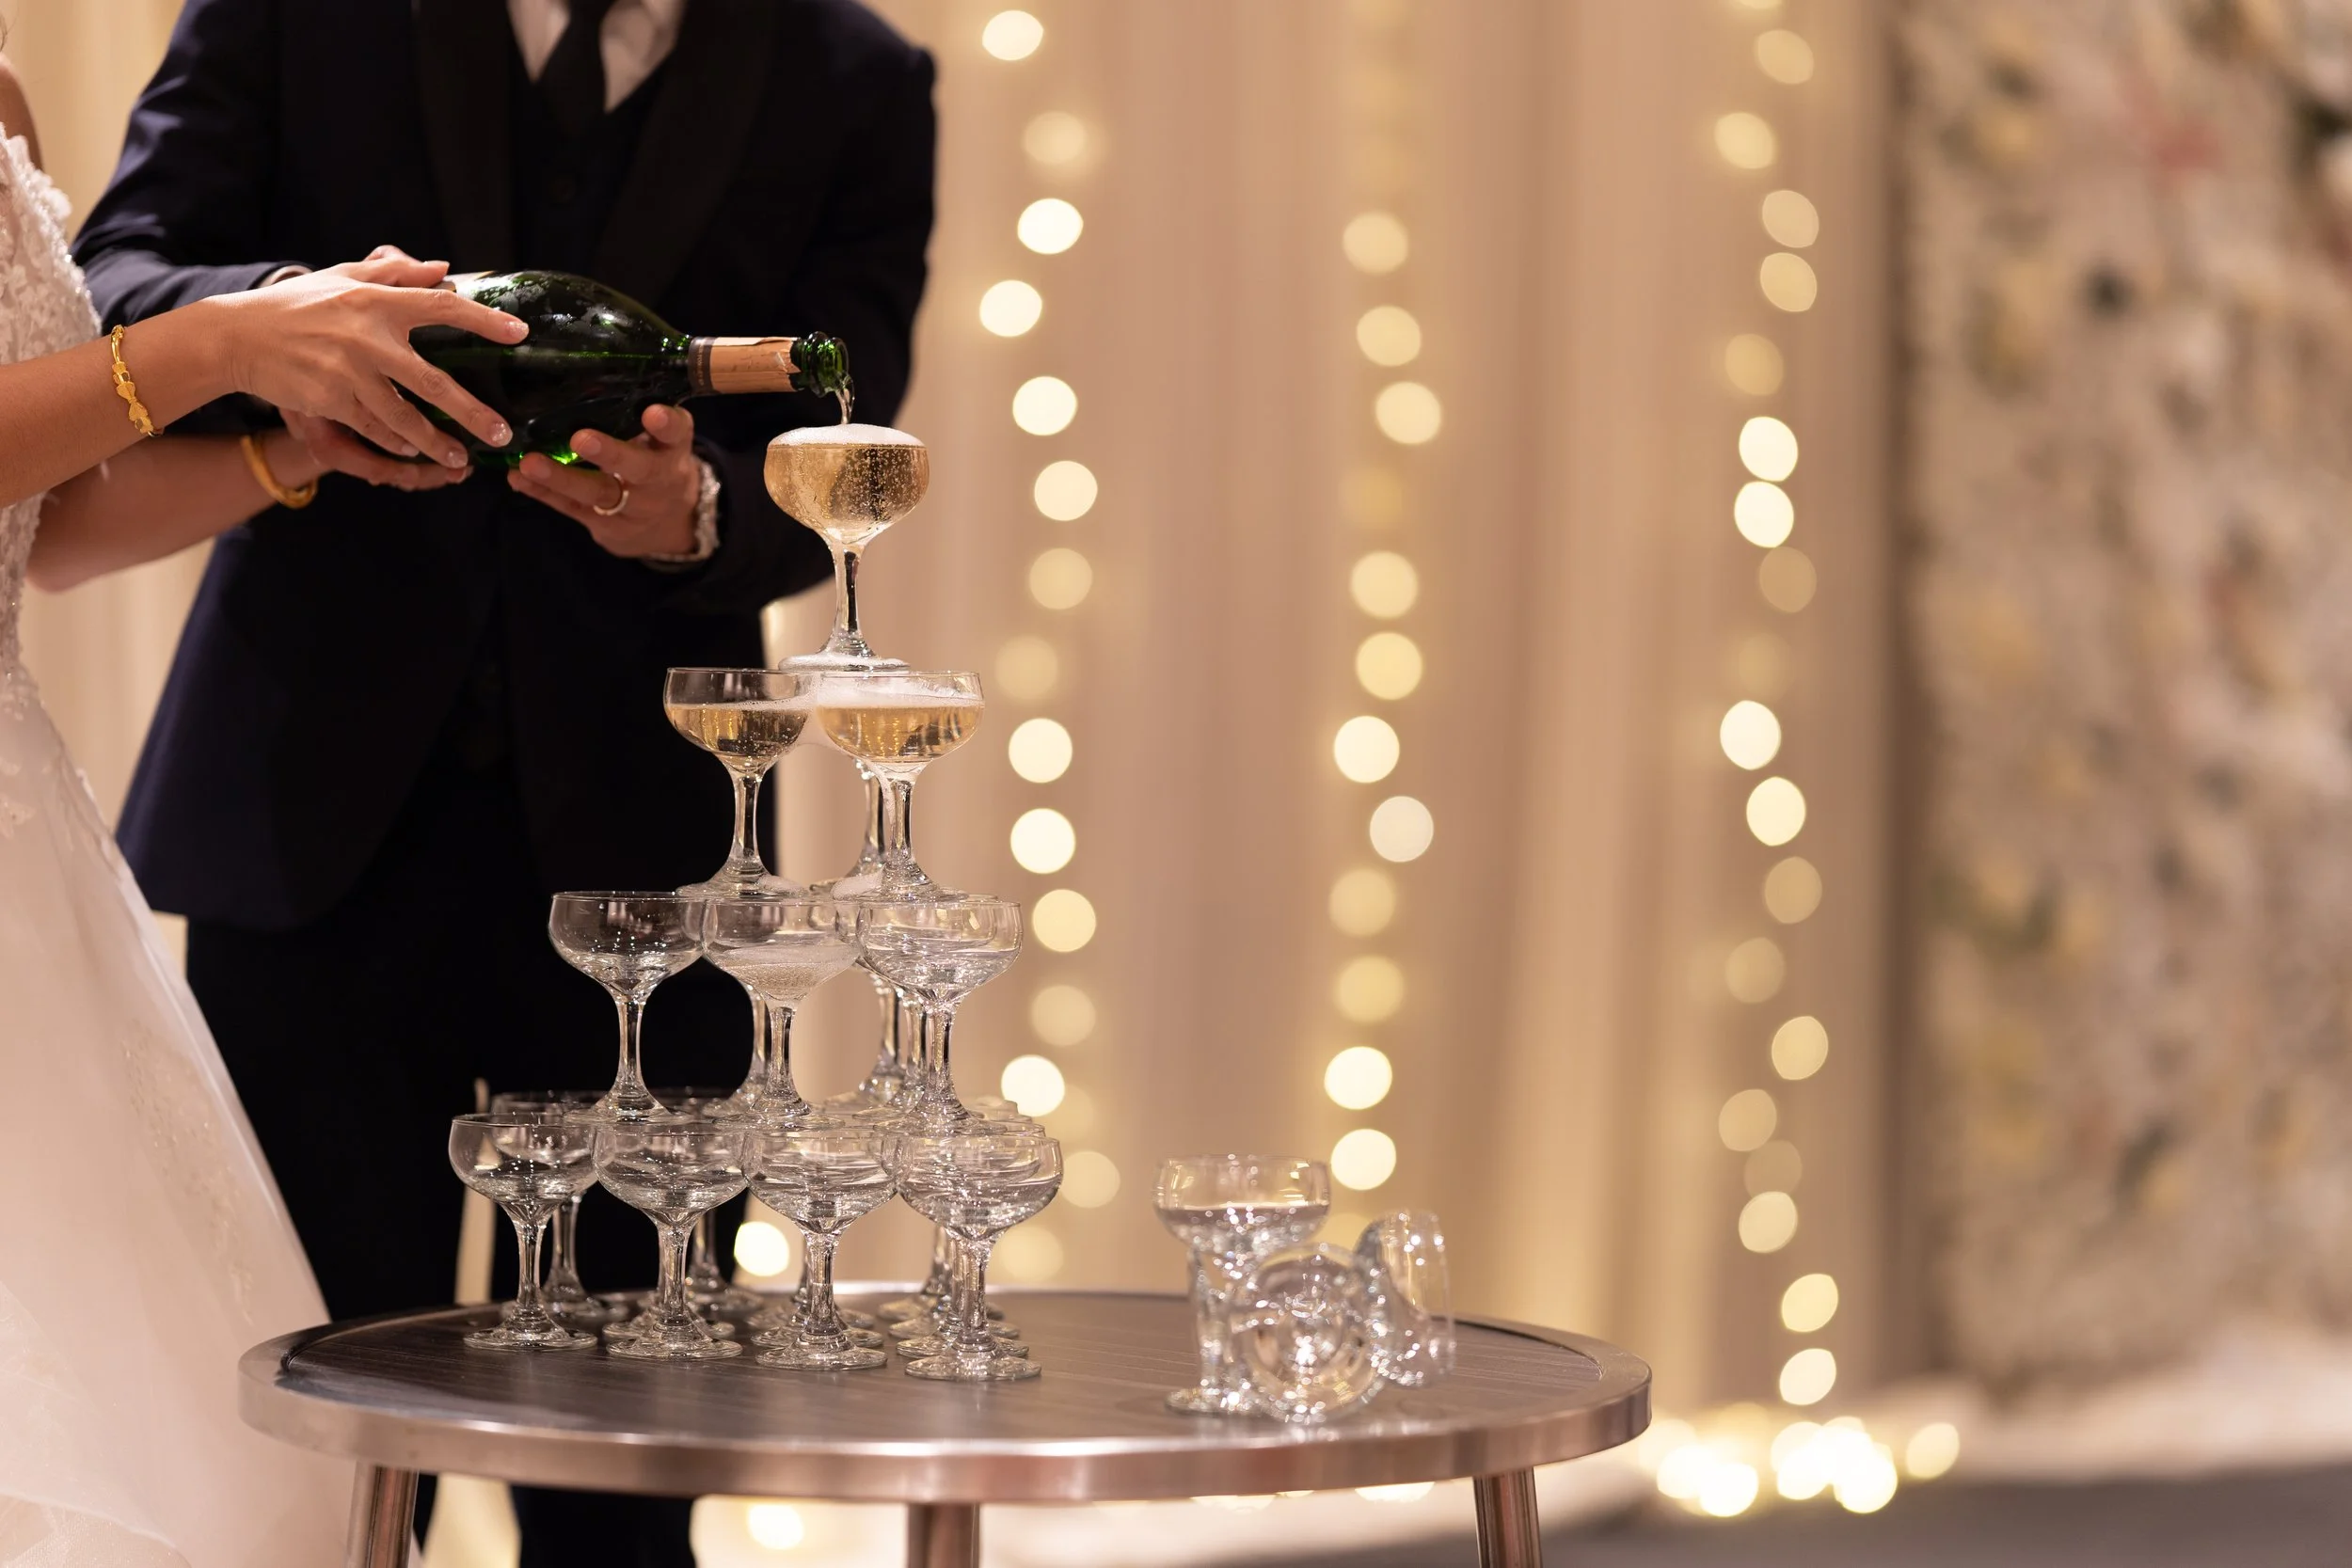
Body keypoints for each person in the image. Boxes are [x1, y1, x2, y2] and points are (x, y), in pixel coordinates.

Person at [72, 1, 935, 1564]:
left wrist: (694, 516)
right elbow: (114, 281)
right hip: (309, 831)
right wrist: (284, 318)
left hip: (657, 873)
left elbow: (839, 440)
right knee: (304, 1453)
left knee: (630, 1478)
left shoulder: (855, 77)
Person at [0, 51, 534, 1568]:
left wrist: (294, 441)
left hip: (21, 865)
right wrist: (228, 338)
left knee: (227, 1469)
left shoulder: (4, 93)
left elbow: (51, 529)